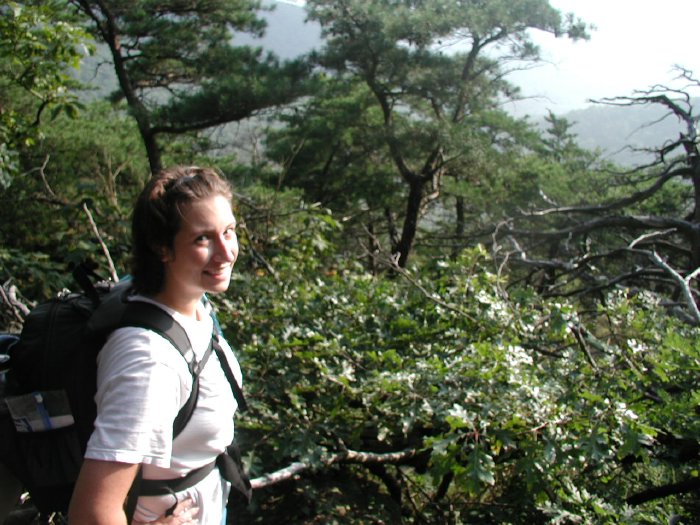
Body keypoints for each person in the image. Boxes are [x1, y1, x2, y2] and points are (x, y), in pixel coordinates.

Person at [68, 166, 244, 525]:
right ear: (162, 248)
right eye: (202, 239)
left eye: (229, 231)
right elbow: (91, 512)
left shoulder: (194, 307)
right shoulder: (149, 361)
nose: (226, 252)